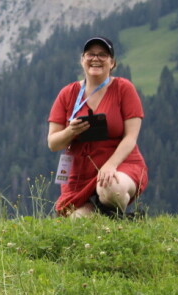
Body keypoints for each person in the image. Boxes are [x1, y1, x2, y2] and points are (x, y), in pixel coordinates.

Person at [47, 36, 148, 218]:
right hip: (79, 171)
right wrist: (71, 131)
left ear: (112, 63)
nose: (96, 59)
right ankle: (123, 221)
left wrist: (111, 165)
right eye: (90, 54)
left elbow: (131, 137)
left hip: (119, 164)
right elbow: (53, 144)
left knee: (110, 187)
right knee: (80, 221)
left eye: (103, 55)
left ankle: (112, 211)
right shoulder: (67, 94)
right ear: (82, 60)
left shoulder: (123, 88)